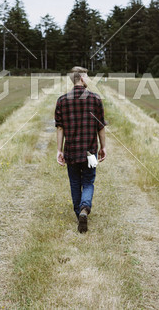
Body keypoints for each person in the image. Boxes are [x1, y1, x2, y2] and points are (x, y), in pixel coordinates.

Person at [54, 66, 106, 233]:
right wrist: (103, 147)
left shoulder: (62, 100)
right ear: (82, 78)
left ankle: (79, 214)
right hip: (90, 152)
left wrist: (59, 150)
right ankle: (85, 209)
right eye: (88, 77)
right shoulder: (95, 99)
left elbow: (60, 128)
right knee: (88, 182)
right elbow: (101, 127)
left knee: (75, 182)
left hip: (71, 151)